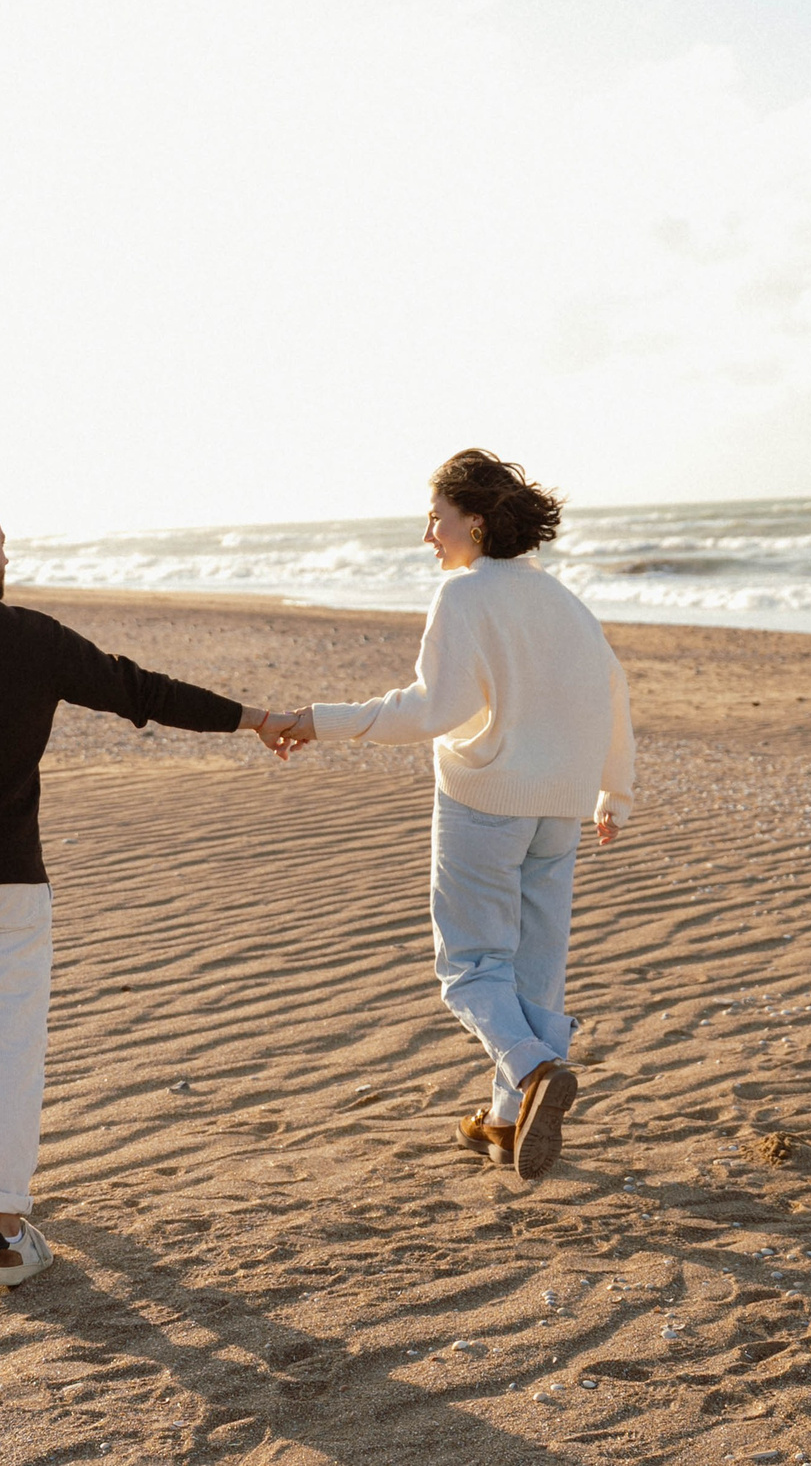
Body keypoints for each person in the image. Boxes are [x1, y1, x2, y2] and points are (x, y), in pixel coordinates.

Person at [0, 487, 295, 1286]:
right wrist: (253, 717)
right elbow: (137, 690)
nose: (7, 555)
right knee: (2, 1046)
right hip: (5, 881)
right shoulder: (27, 638)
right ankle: (4, 1229)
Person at [277, 450, 633, 1181]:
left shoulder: (466, 596)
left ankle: (533, 1068)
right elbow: (611, 690)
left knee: (470, 965)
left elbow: (432, 709)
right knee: (536, 972)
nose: (428, 534)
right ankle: (506, 1122)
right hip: (560, 809)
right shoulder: (564, 599)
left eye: (436, 518)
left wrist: (323, 719)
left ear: (474, 520)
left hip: (485, 799)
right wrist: (613, 791)